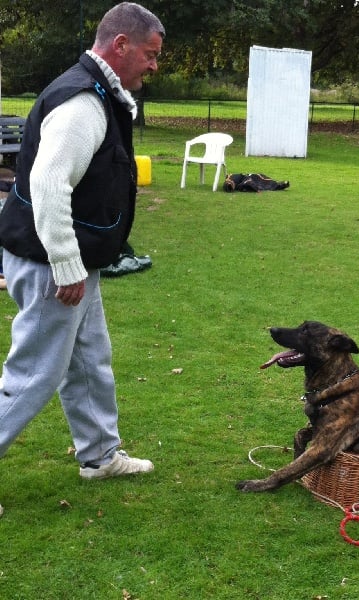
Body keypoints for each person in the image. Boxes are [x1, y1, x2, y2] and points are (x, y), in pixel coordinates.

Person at [0, 3, 165, 517]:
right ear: (120, 45)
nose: (155, 66)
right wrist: (67, 266)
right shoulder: (82, 103)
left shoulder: (100, 92)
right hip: (54, 264)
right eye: (150, 54)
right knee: (33, 374)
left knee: (90, 359)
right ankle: (98, 453)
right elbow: (47, 185)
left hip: (68, 262)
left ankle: (99, 456)